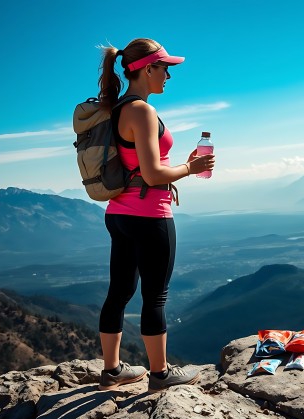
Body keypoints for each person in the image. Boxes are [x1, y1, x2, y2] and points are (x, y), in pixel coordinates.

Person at [94, 38, 215, 392]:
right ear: (147, 69)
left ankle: (112, 371)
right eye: (165, 68)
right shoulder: (142, 111)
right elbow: (152, 174)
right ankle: (160, 376)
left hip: (119, 212)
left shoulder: (118, 108)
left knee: (118, 292)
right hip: (149, 215)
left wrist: (177, 167)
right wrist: (190, 168)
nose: (168, 76)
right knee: (155, 296)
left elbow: (139, 166)